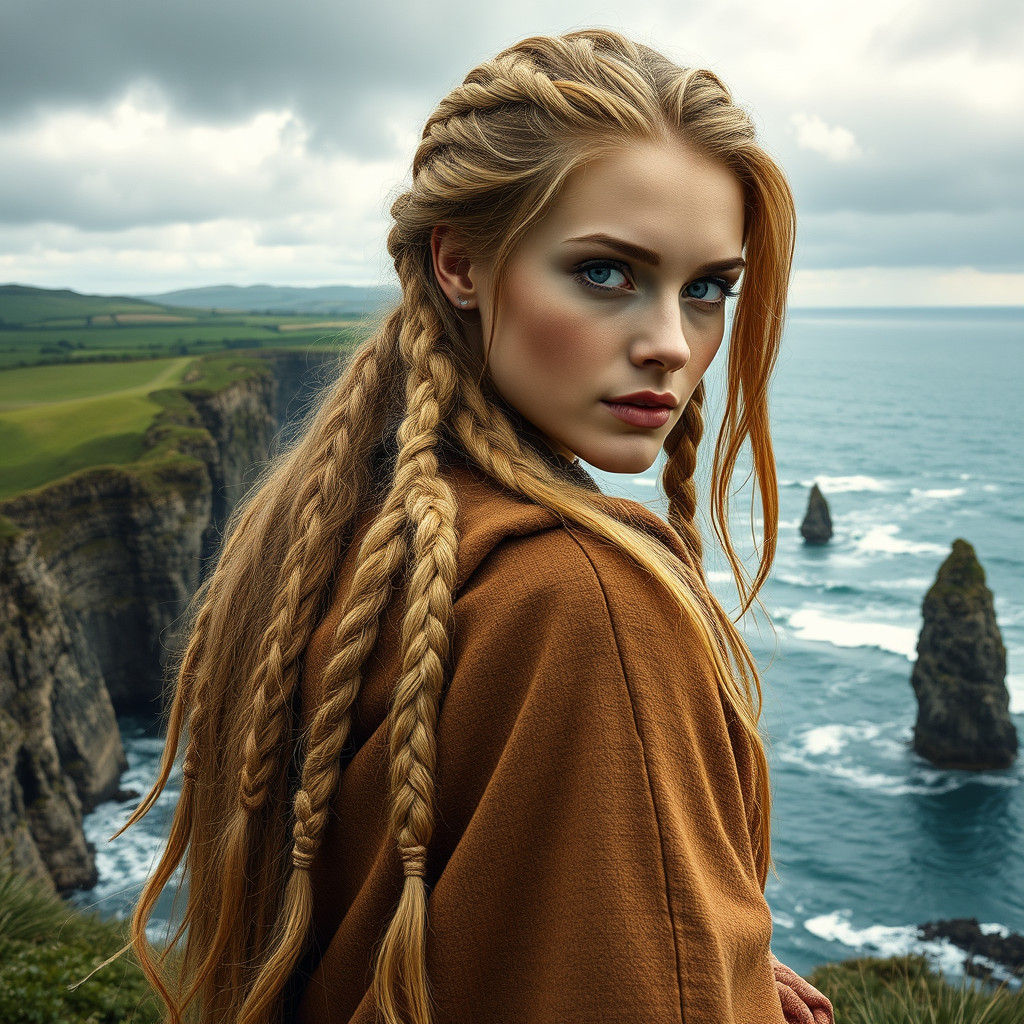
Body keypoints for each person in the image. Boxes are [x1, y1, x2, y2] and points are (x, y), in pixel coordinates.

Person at [93, 27, 835, 1024]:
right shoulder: (590, 604)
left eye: (706, 288)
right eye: (606, 273)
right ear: (460, 264)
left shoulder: (329, 526)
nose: (670, 342)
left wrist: (709, 952)